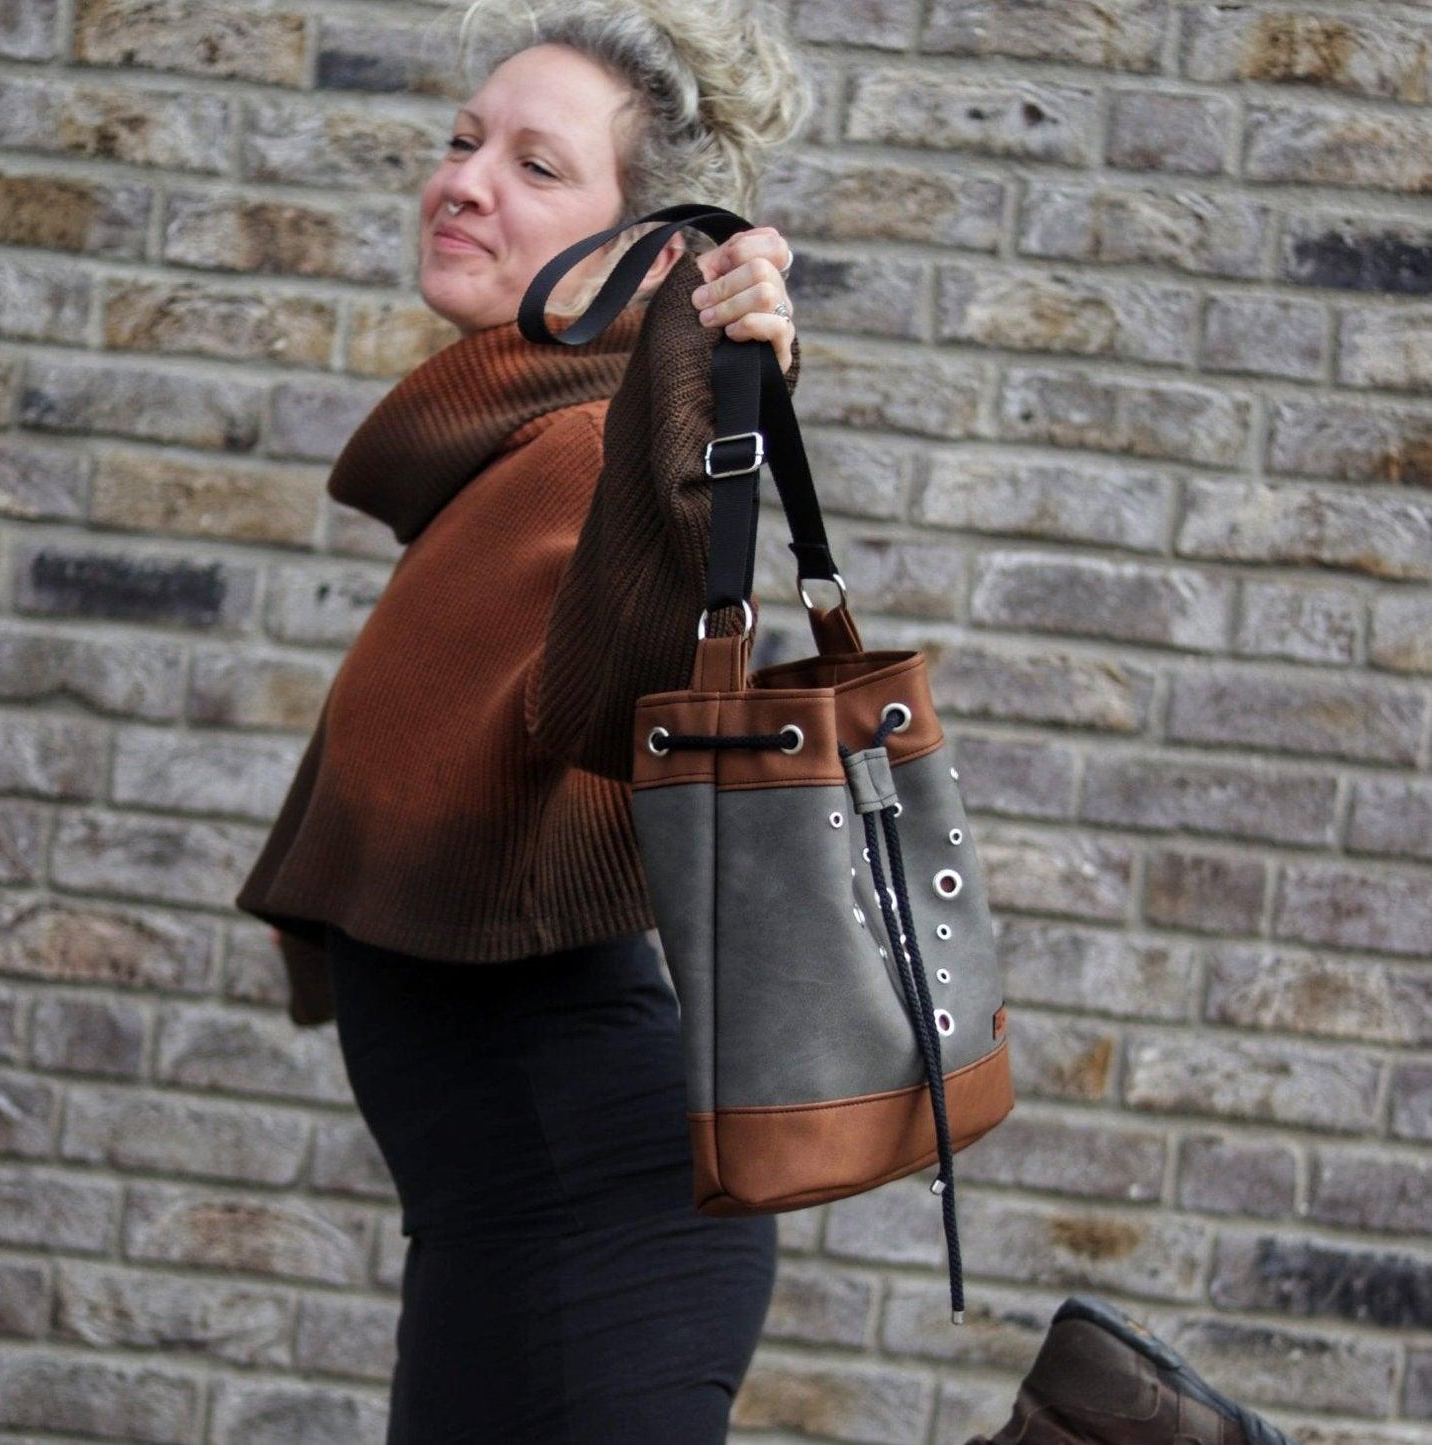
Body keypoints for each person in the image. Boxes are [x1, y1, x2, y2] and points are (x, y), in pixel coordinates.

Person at [235, 2, 1300, 1441]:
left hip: (582, 1221)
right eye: (462, 139)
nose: (466, 178)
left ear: (647, 250)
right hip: (515, 1218)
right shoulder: (506, 456)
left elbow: (614, 706)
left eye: (537, 166)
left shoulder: (585, 452)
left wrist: (699, 403)